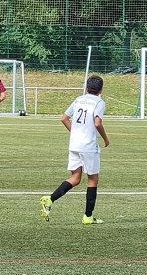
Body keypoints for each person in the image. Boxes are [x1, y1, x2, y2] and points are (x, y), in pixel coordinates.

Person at [40, 75, 110, 225]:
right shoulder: (99, 102)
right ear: (101, 90)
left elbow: (64, 118)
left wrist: (75, 132)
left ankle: (50, 199)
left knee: (75, 178)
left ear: (86, 88)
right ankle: (88, 217)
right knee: (93, 179)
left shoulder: (79, 99)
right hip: (89, 146)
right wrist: (105, 139)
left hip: (74, 144)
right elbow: (97, 123)